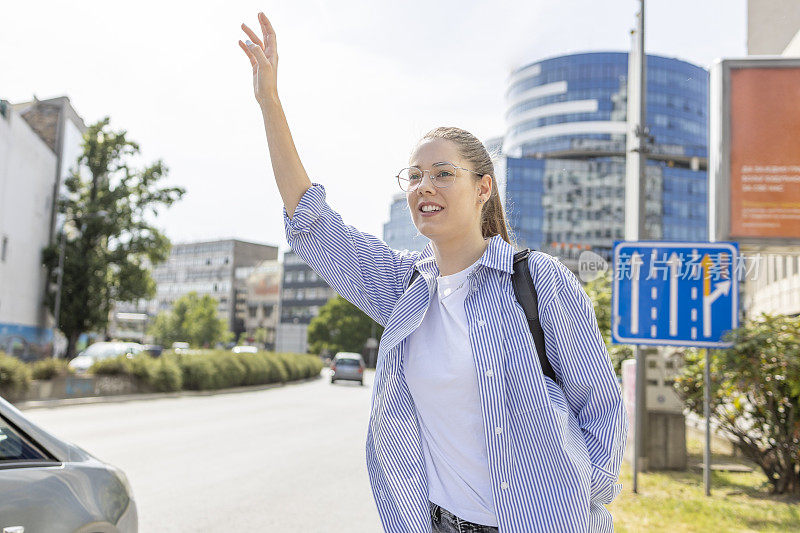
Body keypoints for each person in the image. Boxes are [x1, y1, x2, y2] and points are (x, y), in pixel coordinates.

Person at [238, 12, 627, 533]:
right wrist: (270, 103)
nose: (426, 186)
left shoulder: (539, 282)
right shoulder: (403, 289)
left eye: (445, 174)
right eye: (416, 175)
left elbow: (601, 407)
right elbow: (312, 227)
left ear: (483, 188)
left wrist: (580, 499)